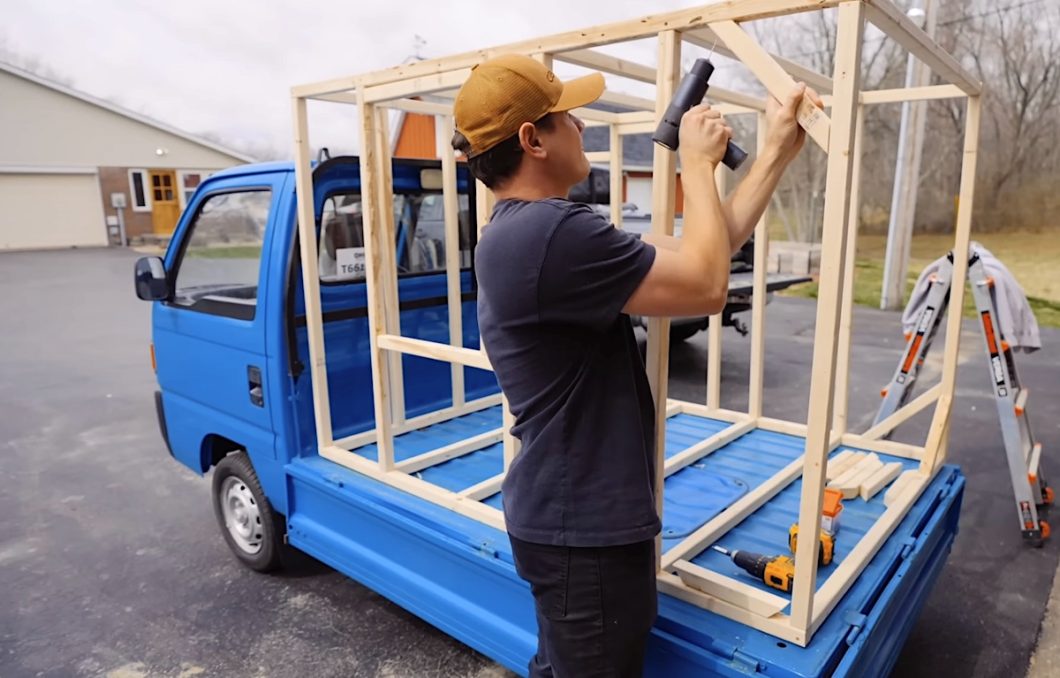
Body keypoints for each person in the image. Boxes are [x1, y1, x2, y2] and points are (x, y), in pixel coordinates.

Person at [452, 53, 821, 678]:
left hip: (567, 521)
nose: (583, 126)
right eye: (568, 117)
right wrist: (696, 165)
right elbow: (709, 286)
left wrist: (777, 152)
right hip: (583, 530)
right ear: (531, 139)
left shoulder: (534, 233)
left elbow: (710, 248)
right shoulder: (548, 236)